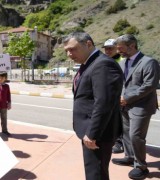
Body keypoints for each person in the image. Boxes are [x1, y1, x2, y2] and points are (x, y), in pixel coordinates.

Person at [63, 32, 123, 180]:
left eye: (73, 49)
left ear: (88, 44)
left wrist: (92, 133)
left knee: (96, 173)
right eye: (67, 51)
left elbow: (104, 103)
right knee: (94, 171)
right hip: (91, 130)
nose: (69, 54)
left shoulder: (103, 64)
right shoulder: (89, 63)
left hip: (98, 133)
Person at [111, 34, 160, 180]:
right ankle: (130, 157)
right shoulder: (122, 63)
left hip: (141, 106)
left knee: (136, 136)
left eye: (121, 49)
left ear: (132, 46)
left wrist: (127, 98)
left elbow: (149, 85)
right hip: (124, 106)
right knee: (126, 133)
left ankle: (141, 167)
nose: (119, 52)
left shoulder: (149, 62)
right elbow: (122, 83)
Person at [102, 38, 124, 154]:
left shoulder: (122, 61)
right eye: (106, 48)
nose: (108, 51)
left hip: (119, 96)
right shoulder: (104, 60)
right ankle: (114, 140)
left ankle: (120, 143)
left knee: (120, 120)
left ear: (117, 48)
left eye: (110, 48)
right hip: (108, 95)